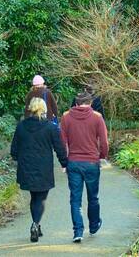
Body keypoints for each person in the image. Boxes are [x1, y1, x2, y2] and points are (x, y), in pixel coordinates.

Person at [10, 97, 69, 243]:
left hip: (27, 167)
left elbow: (14, 150)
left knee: (34, 197)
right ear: (44, 109)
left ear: (30, 108)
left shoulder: (21, 126)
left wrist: (20, 159)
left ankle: (37, 224)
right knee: (41, 198)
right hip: (43, 168)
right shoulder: (50, 127)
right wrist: (64, 163)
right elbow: (59, 148)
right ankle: (35, 224)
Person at [59, 92, 109, 243]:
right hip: (92, 162)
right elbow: (104, 141)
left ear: (76, 103)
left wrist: (64, 162)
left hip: (73, 163)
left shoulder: (66, 117)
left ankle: (78, 231)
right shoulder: (97, 117)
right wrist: (102, 156)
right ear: (90, 102)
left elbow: (62, 142)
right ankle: (93, 225)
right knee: (93, 197)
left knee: (75, 199)